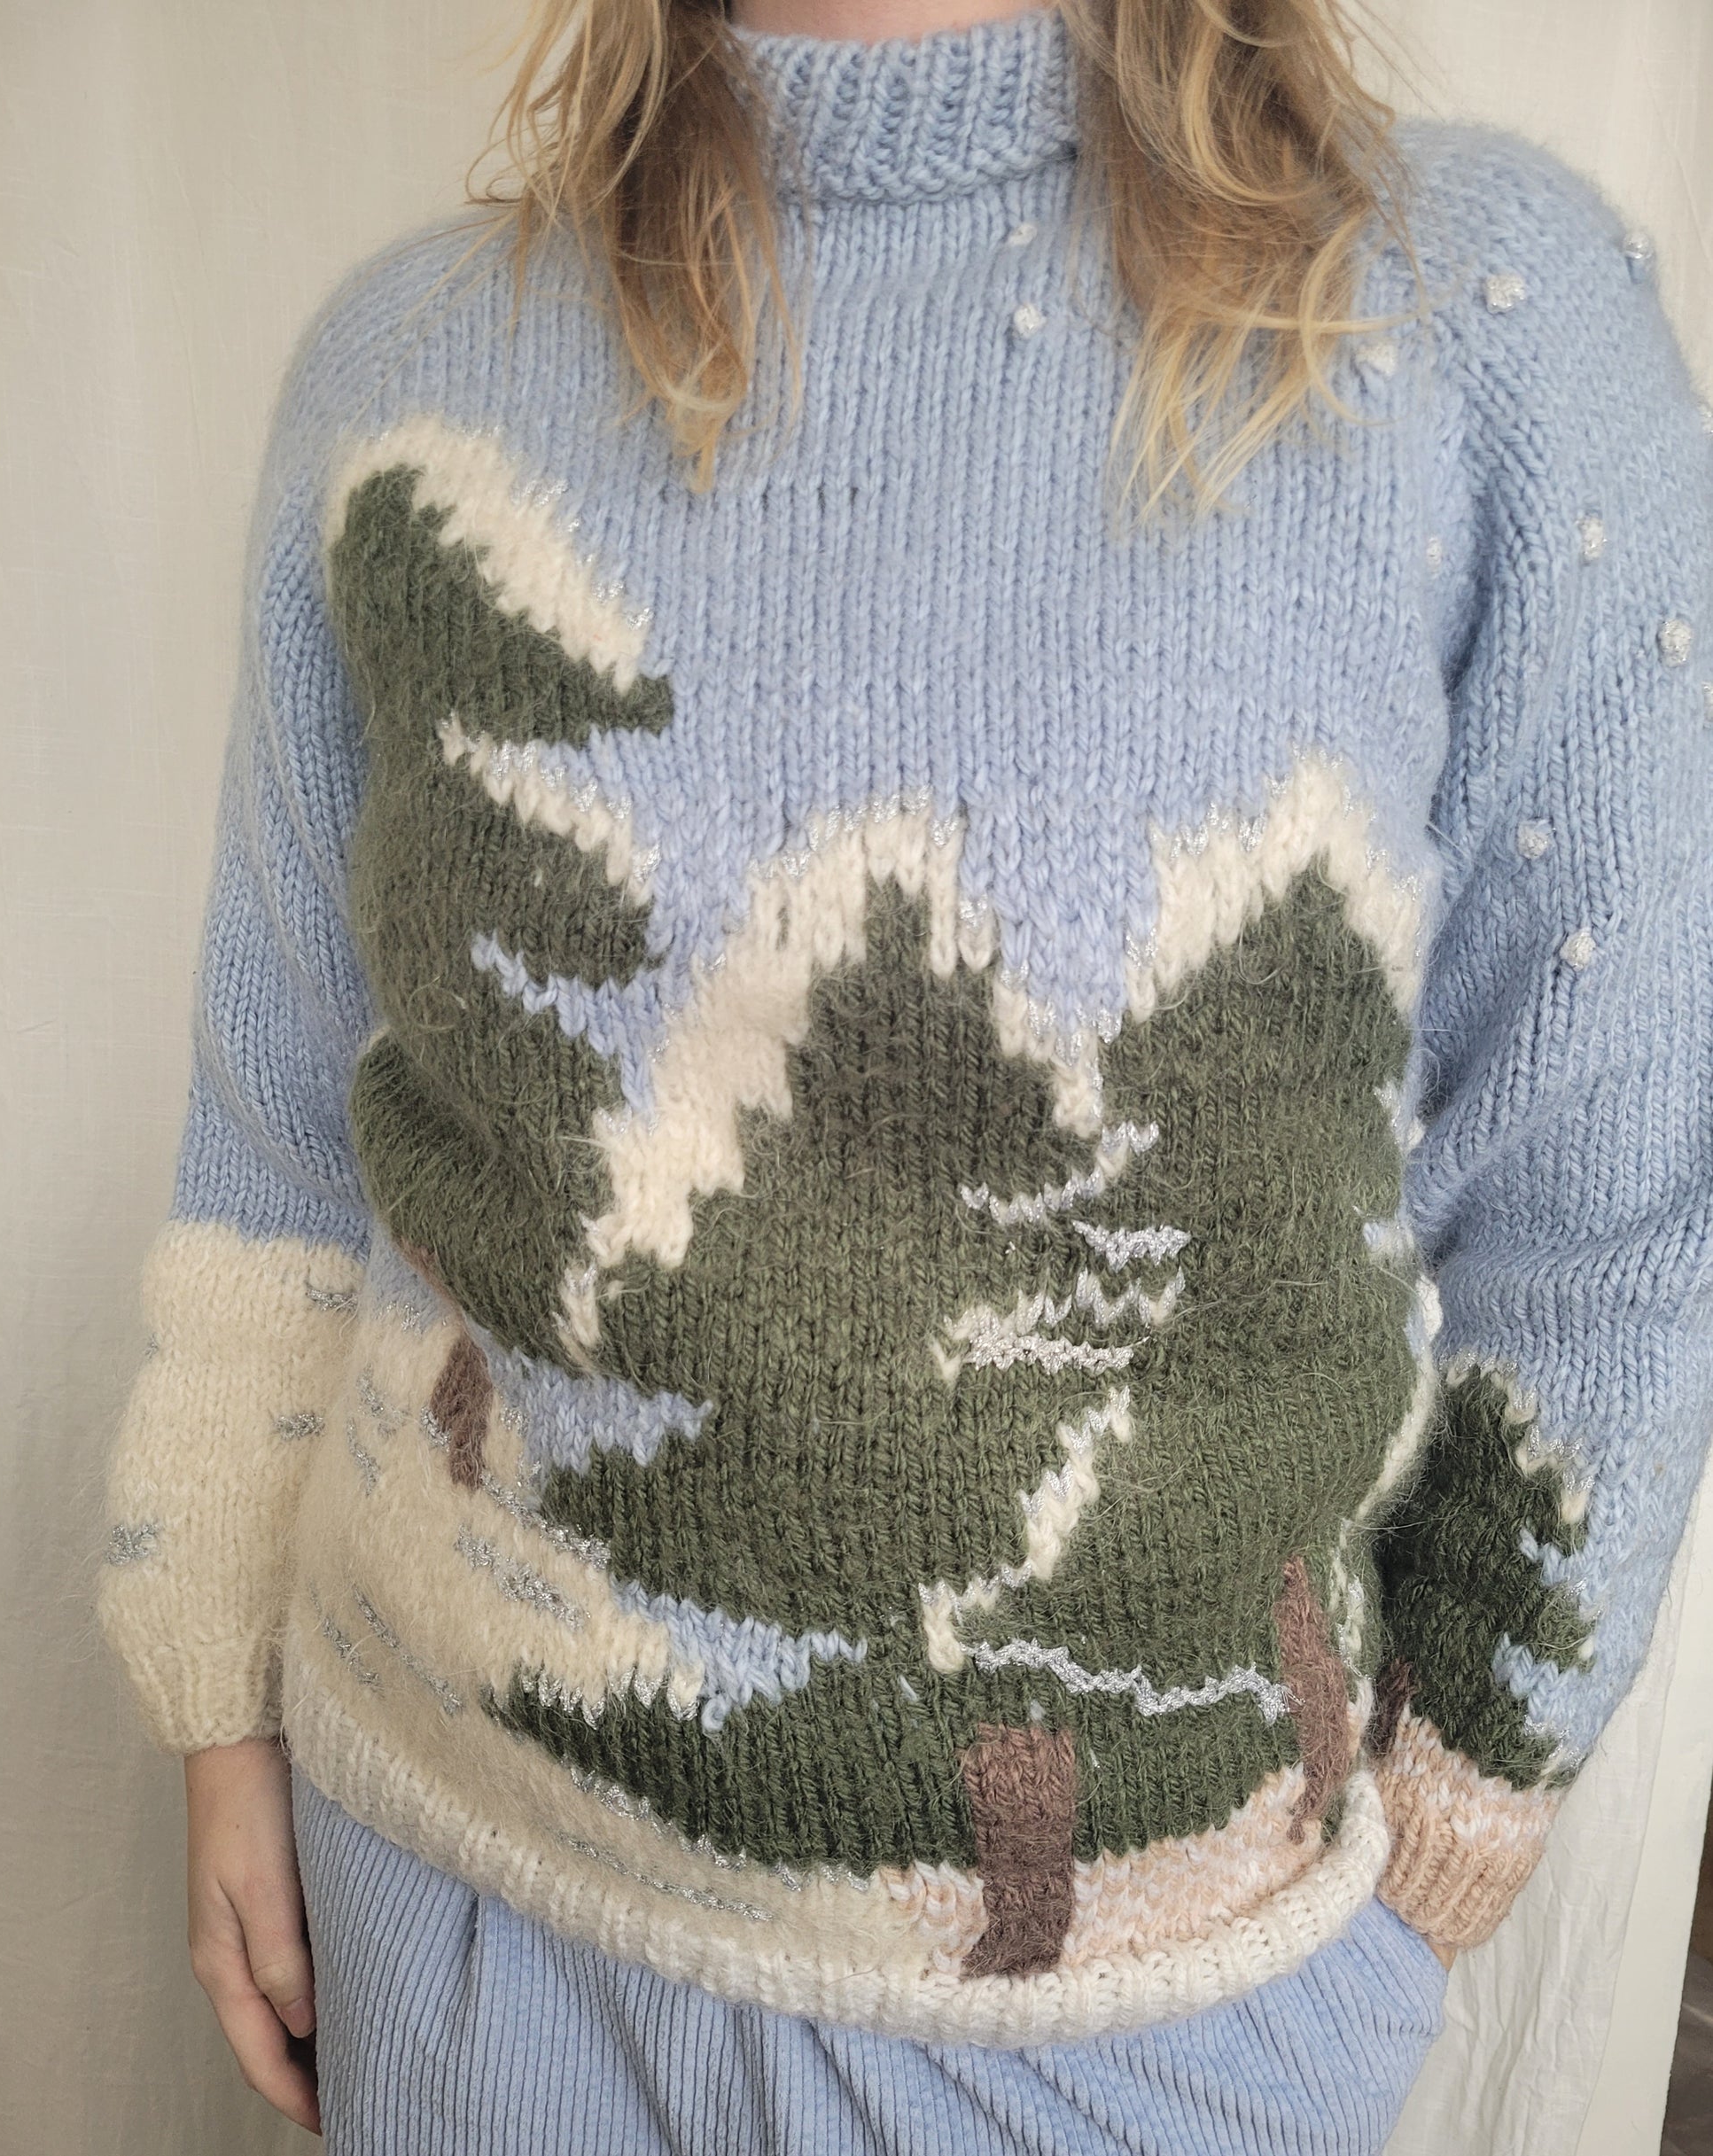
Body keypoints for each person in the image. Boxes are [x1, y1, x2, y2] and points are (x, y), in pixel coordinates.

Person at [97, 0, 1713, 2148]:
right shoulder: (402, 360)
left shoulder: (1465, 323)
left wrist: (1422, 1867)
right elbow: (286, 1129)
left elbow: (1614, 1215)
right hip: (440, 1891)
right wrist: (219, 1692)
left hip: (1129, 2034)